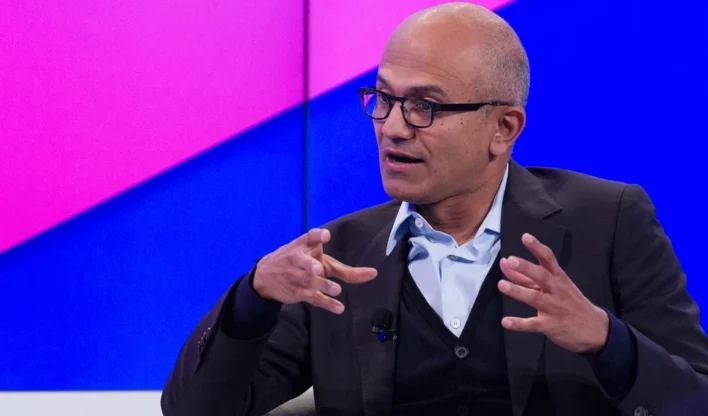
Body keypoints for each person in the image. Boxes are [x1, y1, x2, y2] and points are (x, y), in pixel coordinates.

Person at [161, 2, 708, 415]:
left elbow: (695, 399)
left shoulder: (608, 221)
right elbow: (193, 410)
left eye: (425, 105)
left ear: (503, 128)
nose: (393, 128)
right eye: (384, 99)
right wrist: (253, 296)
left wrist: (606, 340)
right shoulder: (339, 259)